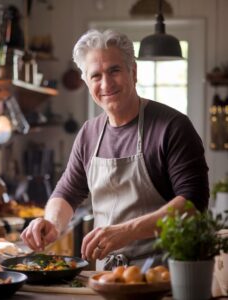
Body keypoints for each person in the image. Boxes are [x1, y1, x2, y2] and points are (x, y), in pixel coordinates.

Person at [21, 29, 209, 270]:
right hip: (108, 277)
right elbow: (67, 193)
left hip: (165, 273)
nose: (106, 83)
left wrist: (127, 231)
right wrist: (51, 223)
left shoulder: (172, 127)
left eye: (114, 71)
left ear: (133, 72)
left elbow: (193, 205)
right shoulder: (89, 134)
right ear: (87, 82)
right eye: (96, 76)